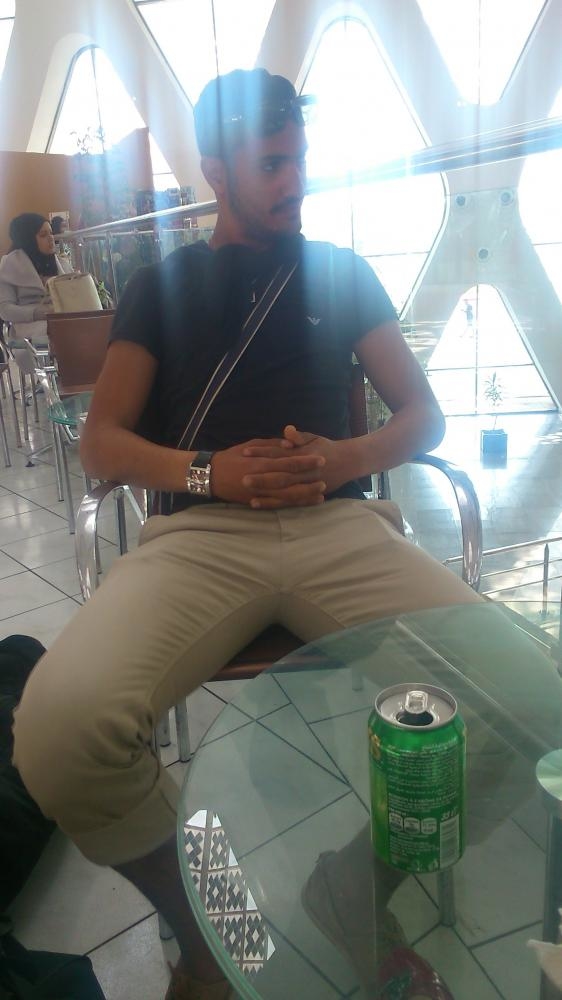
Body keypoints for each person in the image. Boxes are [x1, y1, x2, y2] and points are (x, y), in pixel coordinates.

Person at [12, 68, 555, 1000]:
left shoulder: (341, 272)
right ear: (217, 170)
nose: (295, 181)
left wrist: (347, 458)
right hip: (201, 537)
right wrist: (208, 472)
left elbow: (421, 416)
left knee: (533, 699)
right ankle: (211, 928)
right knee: (58, 735)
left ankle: (355, 888)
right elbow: (103, 442)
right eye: (271, 164)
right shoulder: (162, 284)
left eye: (299, 159)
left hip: (339, 526)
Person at [0, 213, 72, 342]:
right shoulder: (10, 265)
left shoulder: (61, 263)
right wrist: (39, 313)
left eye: (51, 233)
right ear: (28, 239)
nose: (51, 238)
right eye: (43, 235)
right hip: (28, 327)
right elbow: (5, 310)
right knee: (68, 331)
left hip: (62, 322)